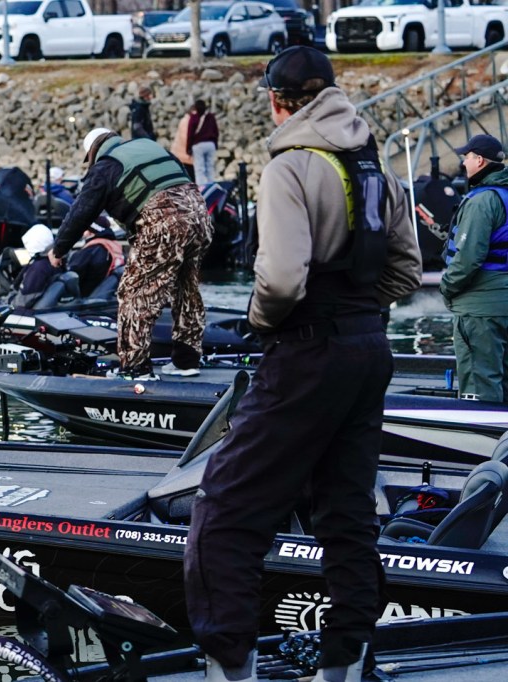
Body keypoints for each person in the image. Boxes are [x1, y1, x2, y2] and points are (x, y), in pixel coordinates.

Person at [183, 47, 422, 682]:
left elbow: (283, 280)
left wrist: (261, 321)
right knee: (347, 514)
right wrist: (357, 310)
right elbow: (408, 269)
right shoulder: (374, 165)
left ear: (276, 101)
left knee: (226, 510)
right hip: (368, 348)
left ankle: (230, 668)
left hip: (305, 351)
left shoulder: (289, 166)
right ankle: (344, 664)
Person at [47, 127, 213, 378]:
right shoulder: (150, 146)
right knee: (186, 287)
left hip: (165, 223)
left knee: (135, 293)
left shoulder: (105, 166)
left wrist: (59, 249)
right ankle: (186, 361)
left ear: (92, 152)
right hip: (200, 215)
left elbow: (82, 211)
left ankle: (135, 368)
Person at [440, 133, 508, 402]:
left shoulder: (481, 201)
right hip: (503, 304)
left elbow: (468, 258)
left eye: (466, 157)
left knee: (480, 386)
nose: (463, 163)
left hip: (480, 310)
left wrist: (447, 288)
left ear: (479, 160)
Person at [67, 225, 125, 297]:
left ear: (91, 232)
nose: (83, 233)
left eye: (86, 230)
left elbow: (73, 273)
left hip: (88, 298)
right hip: (109, 294)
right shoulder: (114, 246)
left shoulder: (91, 249)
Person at [186, 99, 218, 185]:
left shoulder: (194, 118)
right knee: (210, 168)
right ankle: (211, 185)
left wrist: (188, 148)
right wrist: (215, 144)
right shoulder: (211, 117)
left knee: (199, 169)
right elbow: (216, 131)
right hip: (210, 144)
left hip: (198, 145)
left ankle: (201, 188)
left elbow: (190, 134)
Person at [169, 109, 195, 181]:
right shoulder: (186, 122)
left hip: (184, 156)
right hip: (183, 156)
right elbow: (185, 138)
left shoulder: (187, 121)